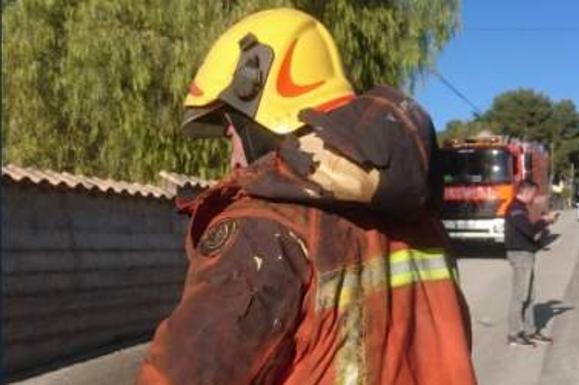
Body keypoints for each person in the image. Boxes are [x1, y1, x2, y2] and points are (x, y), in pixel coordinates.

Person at [135, 8, 477, 385]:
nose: (231, 148)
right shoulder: (417, 213)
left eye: (230, 129)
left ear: (255, 98)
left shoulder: (263, 227)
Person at [504, 179, 558, 347]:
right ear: (525, 192)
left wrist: (543, 220)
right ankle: (514, 334)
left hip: (526, 254)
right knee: (520, 296)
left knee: (530, 296)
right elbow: (528, 230)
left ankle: (530, 331)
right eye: (533, 194)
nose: (534, 198)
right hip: (520, 255)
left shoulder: (521, 208)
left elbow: (530, 230)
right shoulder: (515, 209)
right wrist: (545, 221)